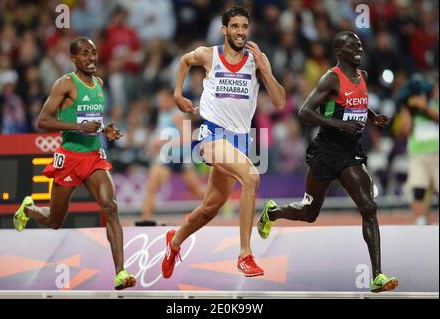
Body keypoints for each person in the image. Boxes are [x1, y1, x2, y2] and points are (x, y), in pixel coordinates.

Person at [257, 31, 398, 293]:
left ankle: (377, 276)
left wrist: (373, 116)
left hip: (350, 153)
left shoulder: (363, 76)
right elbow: (305, 112)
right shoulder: (331, 78)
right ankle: (272, 212)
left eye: (359, 45)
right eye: (351, 46)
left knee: (368, 206)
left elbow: (355, 103)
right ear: (339, 52)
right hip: (326, 150)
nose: (358, 48)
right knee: (310, 214)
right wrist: (340, 124)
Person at [161, 5, 285, 278]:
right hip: (212, 135)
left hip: (239, 141)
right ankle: (245, 255)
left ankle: (175, 240)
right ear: (224, 29)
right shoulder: (209, 55)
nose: (240, 32)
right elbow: (184, 60)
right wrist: (178, 94)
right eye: (235, 26)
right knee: (251, 178)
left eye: (244, 27)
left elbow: (279, 101)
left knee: (210, 208)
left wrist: (265, 70)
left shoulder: (257, 59)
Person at [13, 37, 136, 290]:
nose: (91, 58)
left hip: (94, 156)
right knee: (55, 221)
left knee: (110, 207)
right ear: (73, 58)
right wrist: (77, 127)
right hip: (69, 157)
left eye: (93, 53)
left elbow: (91, 121)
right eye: (84, 54)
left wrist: (104, 130)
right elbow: (43, 120)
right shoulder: (65, 84)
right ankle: (29, 209)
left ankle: (121, 273)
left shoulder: (100, 83)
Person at [136, 86, 206, 226]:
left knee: (197, 191)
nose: (159, 102)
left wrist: (163, 142)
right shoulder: (162, 113)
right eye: (159, 99)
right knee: (152, 186)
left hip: (181, 158)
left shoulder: (178, 115)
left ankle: (222, 205)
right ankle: (145, 220)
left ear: (170, 99)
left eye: (162, 99)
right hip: (166, 158)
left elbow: (187, 137)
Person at [398, 78, 439, 225]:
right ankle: (420, 221)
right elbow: (405, 130)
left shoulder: (435, 103)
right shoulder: (412, 108)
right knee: (418, 189)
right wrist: (405, 108)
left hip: (437, 154)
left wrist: (425, 107)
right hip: (418, 155)